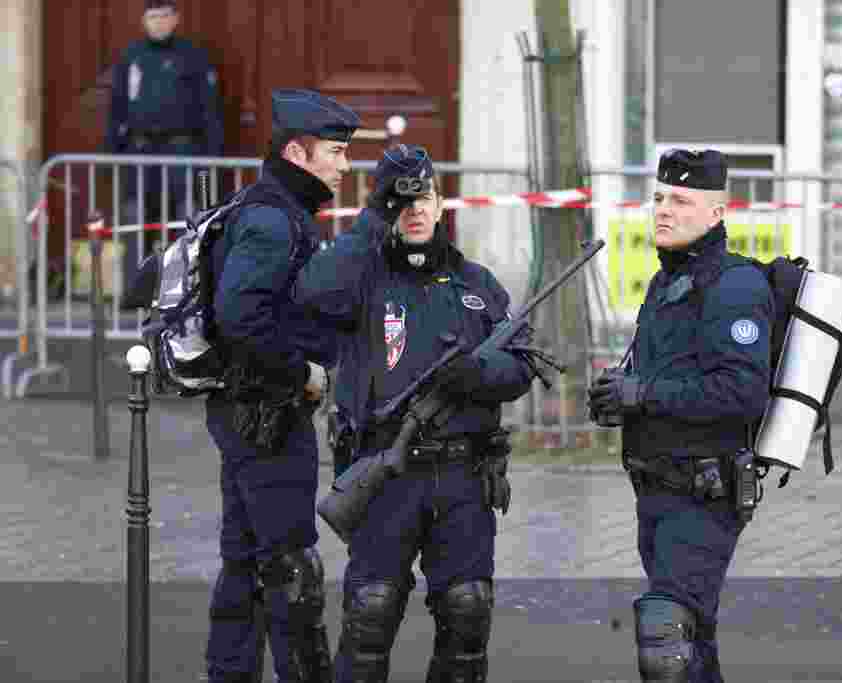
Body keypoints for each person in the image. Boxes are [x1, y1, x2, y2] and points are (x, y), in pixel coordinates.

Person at [293, 144, 536, 683]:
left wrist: (480, 377)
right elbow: (311, 293)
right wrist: (372, 218)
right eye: (401, 200)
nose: (415, 209)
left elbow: (523, 365)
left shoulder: (478, 285)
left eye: (423, 195)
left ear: (441, 201)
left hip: (463, 478)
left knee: (467, 612)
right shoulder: (360, 280)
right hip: (385, 474)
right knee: (371, 614)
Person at [587, 149, 774, 683]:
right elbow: (666, 382)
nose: (664, 210)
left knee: (665, 637)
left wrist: (642, 394)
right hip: (659, 491)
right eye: (660, 198)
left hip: (704, 493)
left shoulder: (734, 287)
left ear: (717, 214)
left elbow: (741, 393)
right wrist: (617, 398)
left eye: (682, 201)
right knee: (693, 642)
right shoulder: (667, 282)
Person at [203, 88, 360, 683]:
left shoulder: (276, 209)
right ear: (298, 152)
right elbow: (241, 317)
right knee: (291, 565)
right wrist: (302, 374)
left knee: (244, 559)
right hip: (266, 415)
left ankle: (228, 673)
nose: (345, 167)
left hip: (249, 412)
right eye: (336, 153)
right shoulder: (272, 220)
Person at [106, 0, 225, 296]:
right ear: (144, 21)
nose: (158, 22)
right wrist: (112, 154)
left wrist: (212, 157)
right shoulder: (131, 58)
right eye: (152, 16)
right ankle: (134, 291)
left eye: (164, 16)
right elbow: (116, 107)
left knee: (187, 218)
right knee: (134, 220)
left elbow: (209, 109)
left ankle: (186, 292)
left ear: (175, 19)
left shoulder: (193, 57)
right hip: (139, 150)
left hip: (182, 150)